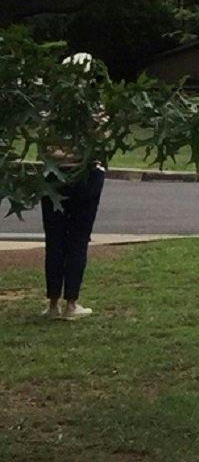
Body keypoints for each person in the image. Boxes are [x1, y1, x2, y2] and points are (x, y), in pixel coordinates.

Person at [41, 52, 108, 321]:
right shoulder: (95, 106)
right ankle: (71, 304)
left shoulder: (51, 106)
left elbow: (43, 139)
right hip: (86, 176)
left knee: (55, 240)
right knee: (78, 240)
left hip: (54, 176)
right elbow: (102, 138)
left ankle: (52, 303)